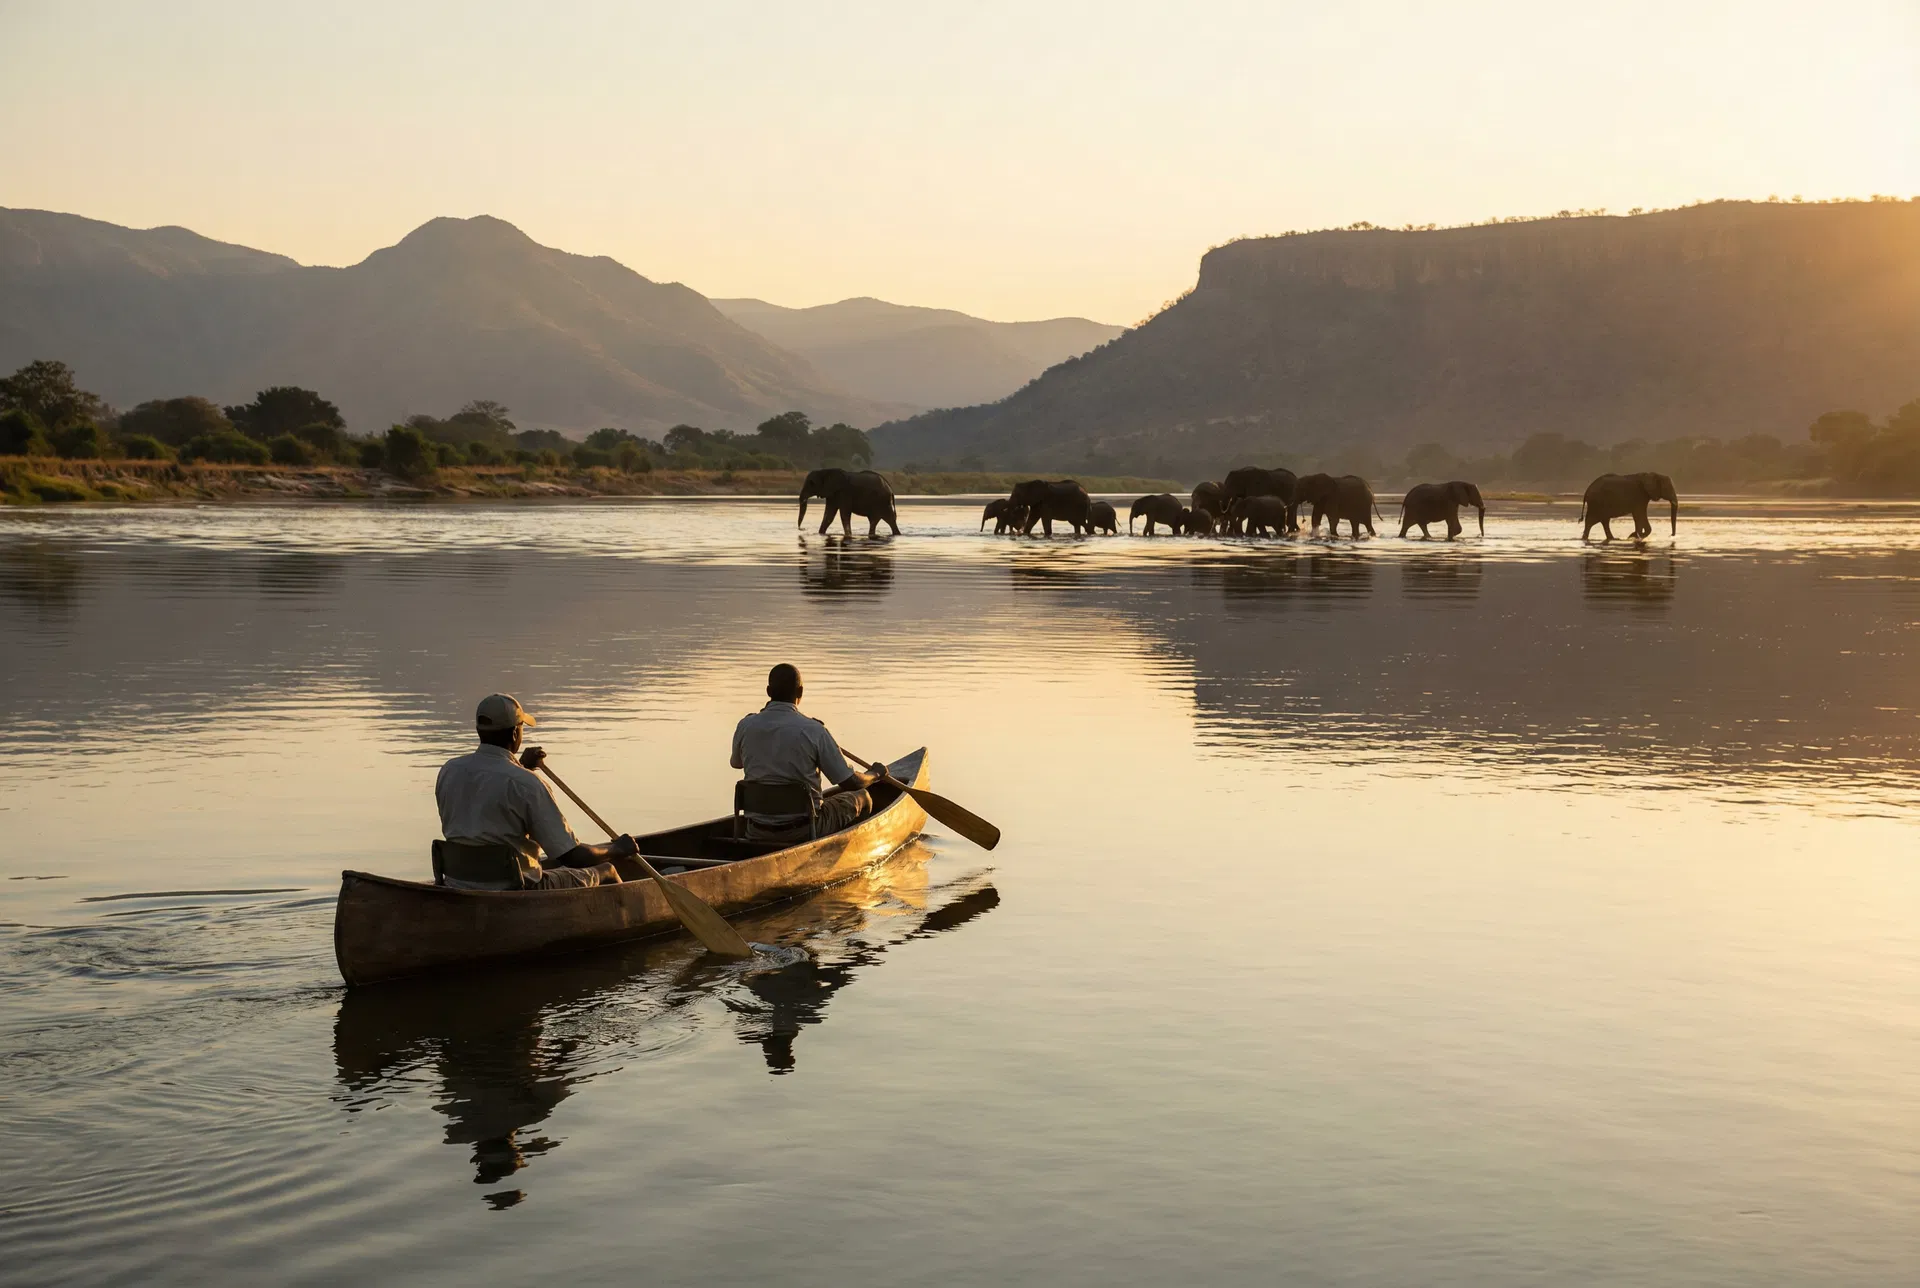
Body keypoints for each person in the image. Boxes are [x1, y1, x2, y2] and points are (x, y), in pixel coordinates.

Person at [435, 693, 636, 889]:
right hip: (515, 887)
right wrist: (617, 849)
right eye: (522, 727)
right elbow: (572, 856)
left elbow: (489, 802)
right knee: (607, 870)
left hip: (459, 882)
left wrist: (522, 766)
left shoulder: (450, 770)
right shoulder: (527, 784)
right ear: (515, 733)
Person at [730, 664, 880, 842]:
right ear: (800, 692)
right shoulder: (814, 730)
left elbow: (736, 763)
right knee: (862, 797)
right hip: (804, 830)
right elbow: (851, 783)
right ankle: (848, 852)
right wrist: (876, 774)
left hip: (756, 829)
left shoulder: (746, 725)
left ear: (768, 691)